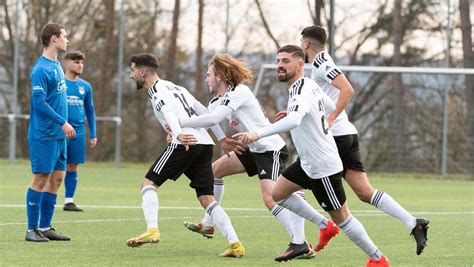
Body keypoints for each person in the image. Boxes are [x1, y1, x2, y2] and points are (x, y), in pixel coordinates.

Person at [234, 45, 390, 267]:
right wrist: (301, 112)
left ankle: (378, 259)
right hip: (307, 163)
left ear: (300, 64)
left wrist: (257, 133)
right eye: (278, 60)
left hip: (322, 166)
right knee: (277, 194)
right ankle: (316, 231)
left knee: (343, 218)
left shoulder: (301, 89)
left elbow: (297, 120)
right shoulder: (308, 86)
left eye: (286, 61)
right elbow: (326, 107)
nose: (280, 65)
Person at [178, 54, 340, 261]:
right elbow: (207, 120)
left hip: (269, 149)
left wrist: (179, 122)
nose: (207, 79)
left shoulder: (240, 91)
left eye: (209, 74)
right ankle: (209, 225)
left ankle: (306, 239)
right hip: (252, 148)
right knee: (213, 172)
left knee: (271, 198)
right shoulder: (219, 100)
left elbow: (212, 118)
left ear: (219, 75)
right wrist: (179, 130)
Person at [299, 25, 429, 255]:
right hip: (347, 133)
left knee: (282, 189)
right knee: (365, 192)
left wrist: (330, 118)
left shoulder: (319, 61)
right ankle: (413, 223)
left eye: (301, 42)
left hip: (335, 138)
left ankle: (299, 240)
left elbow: (347, 89)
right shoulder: (321, 61)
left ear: (306, 43)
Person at [126, 53, 245, 258]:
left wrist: (178, 133)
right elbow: (203, 111)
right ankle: (235, 244)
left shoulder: (157, 90)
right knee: (207, 198)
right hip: (204, 144)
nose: (131, 75)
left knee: (148, 184)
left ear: (142, 72)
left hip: (186, 142)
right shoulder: (175, 87)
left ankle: (152, 229)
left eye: (132, 70)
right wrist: (221, 138)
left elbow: (171, 115)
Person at [25, 22, 76, 242]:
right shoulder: (40, 69)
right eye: (64, 36)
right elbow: (39, 104)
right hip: (44, 134)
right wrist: (62, 122)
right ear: (53, 38)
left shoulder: (56, 65)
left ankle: (45, 227)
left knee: (57, 179)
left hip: (58, 136)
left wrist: (63, 125)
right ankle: (31, 230)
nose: (67, 40)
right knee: (40, 179)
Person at [62, 51, 97, 212]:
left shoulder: (85, 86)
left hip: (78, 133)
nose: (80, 65)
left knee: (73, 166)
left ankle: (69, 201)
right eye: (76, 62)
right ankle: (46, 197)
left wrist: (93, 134)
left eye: (82, 62)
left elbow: (90, 111)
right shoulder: (59, 83)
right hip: (59, 132)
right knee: (53, 167)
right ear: (67, 63)